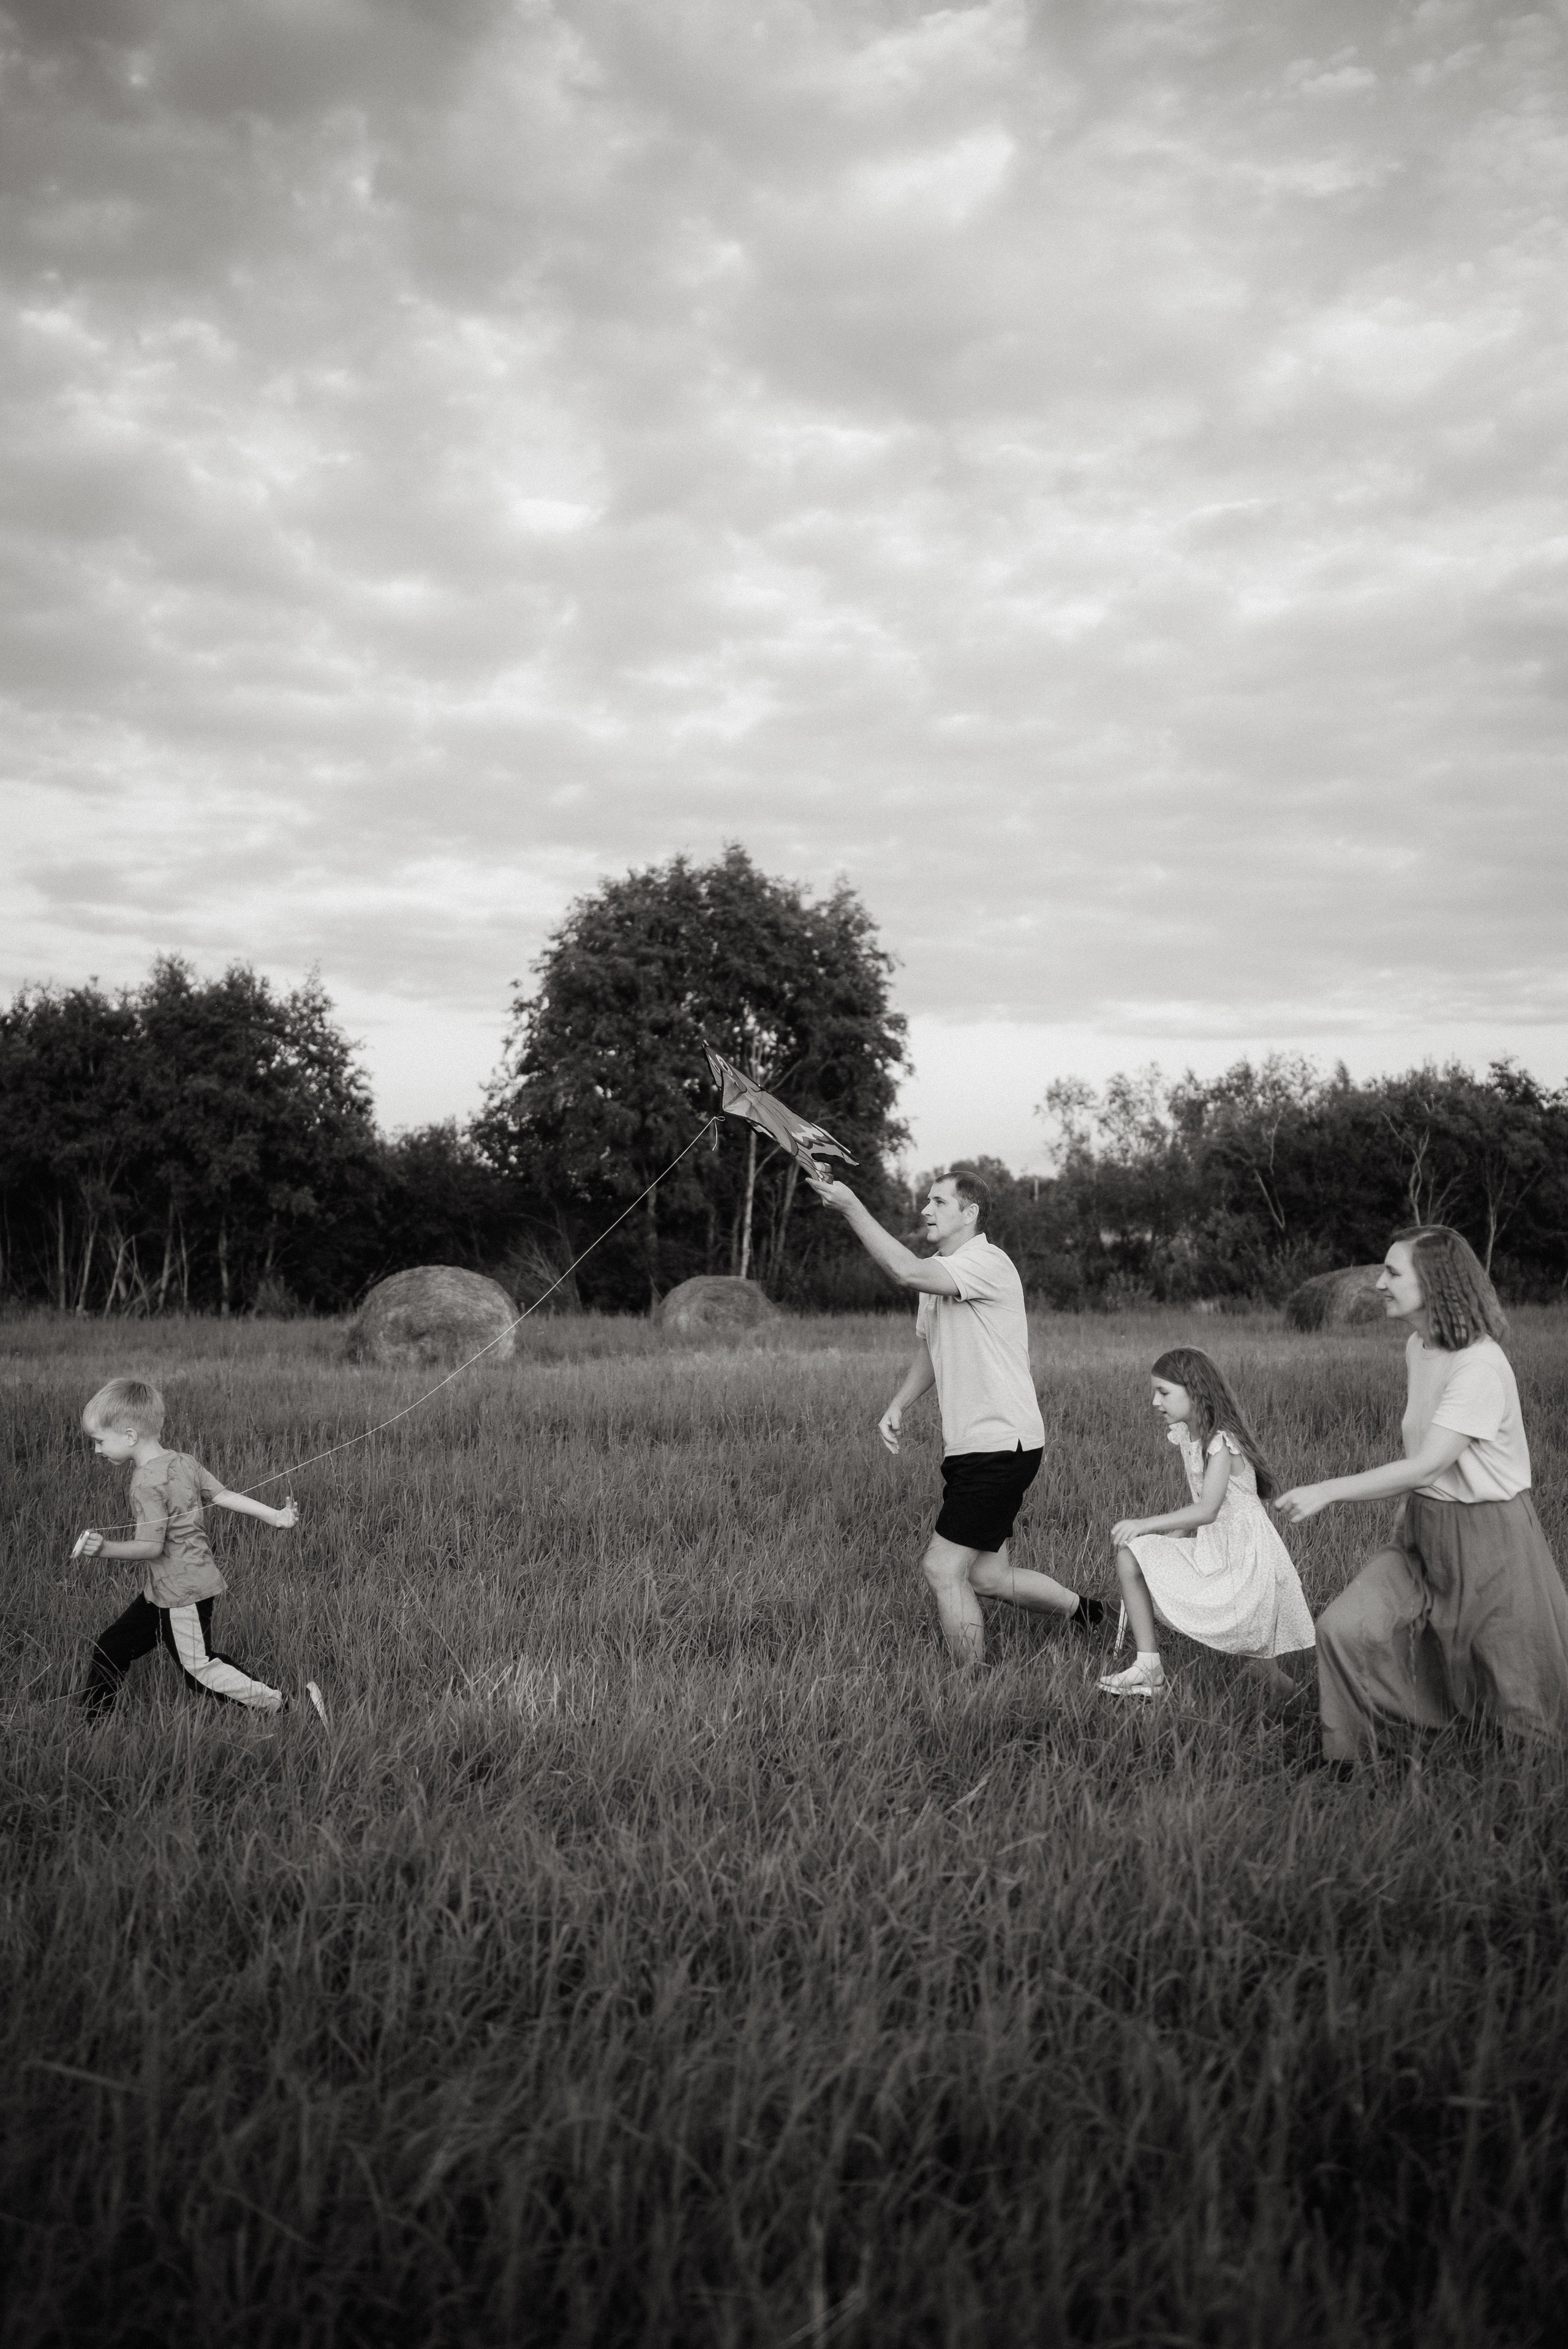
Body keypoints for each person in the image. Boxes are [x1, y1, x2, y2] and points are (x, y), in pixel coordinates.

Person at [1275, 1226, 1568, 1765]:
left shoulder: (1478, 1363)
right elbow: (1425, 1467)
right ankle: (1349, 1761)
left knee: (1511, 1688)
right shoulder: (1419, 1346)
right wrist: (1409, 1516)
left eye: (1393, 1272)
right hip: (1422, 1527)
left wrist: (1326, 1490)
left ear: (1434, 1283)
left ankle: (1511, 1777)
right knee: (1343, 1627)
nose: (1379, 1283)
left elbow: (1429, 1462)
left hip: (1490, 1537)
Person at [809, 1165, 1108, 1666]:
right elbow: (931, 1347)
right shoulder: (941, 1275)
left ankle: (975, 1686)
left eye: (939, 1202)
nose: (926, 1209)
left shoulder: (986, 1261)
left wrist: (851, 1207)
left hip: (1001, 1444)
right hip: (974, 1445)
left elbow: (903, 1270)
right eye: (927, 1200)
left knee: (942, 1568)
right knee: (988, 1577)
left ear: (969, 1213)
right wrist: (900, 1403)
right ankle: (1095, 1616)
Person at [1101, 1346, 1316, 1702]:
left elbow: (1208, 1509)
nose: (1155, 1402)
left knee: (1263, 1674)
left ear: (1196, 1390)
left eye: (1164, 1392)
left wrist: (1145, 1524)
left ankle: (1311, 1708)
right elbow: (1204, 1506)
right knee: (1132, 1557)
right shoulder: (1192, 1438)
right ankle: (1148, 1667)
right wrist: (1170, 1542)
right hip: (1215, 1552)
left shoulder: (1222, 1442)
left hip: (1246, 1562)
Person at [76, 1376, 297, 1717]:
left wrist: (104, 1548)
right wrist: (274, 1517)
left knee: (200, 1671)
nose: (97, 1449)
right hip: (163, 1589)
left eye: (100, 1441)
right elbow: (222, 1496)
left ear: (130, 1436)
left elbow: (151, 1547)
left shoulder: (146, 1483)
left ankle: (288, 1707)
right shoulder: (183, 1461)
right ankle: (90, 1725)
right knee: (112, 1647)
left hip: (183, 1592)